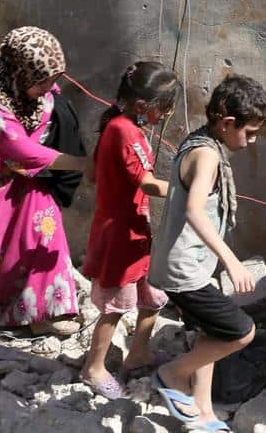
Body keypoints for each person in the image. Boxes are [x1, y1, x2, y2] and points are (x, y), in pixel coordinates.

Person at [147, 74, 266, 429]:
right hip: (183, 271)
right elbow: (194, 211)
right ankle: (172, 375)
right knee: (240, 331)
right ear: (227, 122)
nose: (250, 143)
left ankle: (203, 414)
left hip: (191, 266)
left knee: (213, 332)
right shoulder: (207, 156)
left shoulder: (199, 141)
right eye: (248, 133)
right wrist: (232, 262)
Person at [0, 26, 89, 336]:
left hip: (26, 177)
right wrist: (82, 165)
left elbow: (41, 126)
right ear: (21, 73)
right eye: (43, 82)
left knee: (45, 230)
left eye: (54, 81)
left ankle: (43, 310)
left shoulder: (37, 87)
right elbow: (18, 148)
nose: (50, 89)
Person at [80, 61, 180, 399]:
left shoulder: (118, 125)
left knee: (151, 297)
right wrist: (188, 187)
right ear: (143, 106)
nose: (166, 115)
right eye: (164, 109)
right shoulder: (125, 132)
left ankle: (138, 353)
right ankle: (93, 367)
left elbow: (94, 175)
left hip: (135, 228)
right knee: (117, 305)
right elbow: (148, 184)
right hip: (120, 234)